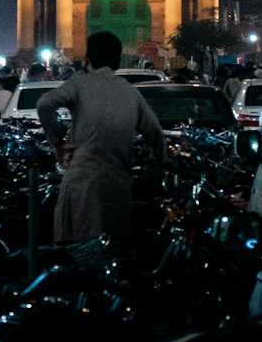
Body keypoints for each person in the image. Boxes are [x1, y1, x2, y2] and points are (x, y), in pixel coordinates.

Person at [37, 30, 166, 247]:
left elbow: (44, 104)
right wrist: (157, 168)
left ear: (88, 58)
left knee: (75, 252)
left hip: (81, 185)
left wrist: (58, 142)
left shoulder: (79, 84)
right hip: (116, 186)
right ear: (117, 60)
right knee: (113, 253)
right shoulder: (130, 92)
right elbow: (156, 135)